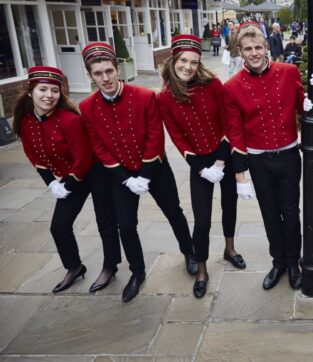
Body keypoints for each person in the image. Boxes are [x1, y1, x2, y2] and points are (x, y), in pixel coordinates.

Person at [79, 42, 197, 303]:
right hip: (120, 176)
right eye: (98, 73)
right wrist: (125, 178)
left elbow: (156, 135)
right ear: (89, 75)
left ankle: (189, 253)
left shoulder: (145, 96)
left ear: (117, 68)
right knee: (126, 225)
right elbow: (98, 145)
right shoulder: (87, 107)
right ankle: (137, 272)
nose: (105, 78)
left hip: (154, 169)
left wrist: (144, 174)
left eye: (109, 70)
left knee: (174, 212)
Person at [223, 21, 313, 291]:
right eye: (247, 49)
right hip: (258, 160)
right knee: (269, 213)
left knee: (291, 212)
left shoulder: (288, 72)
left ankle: (293, 262)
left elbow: (306, 107)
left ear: (266, 47)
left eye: (258, 47)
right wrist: (240, 175)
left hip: (289, 155)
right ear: (240, 52)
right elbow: (235, 132)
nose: (254, 53)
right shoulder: (232, 86)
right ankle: (277, 261)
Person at [12, 66, 121, 294]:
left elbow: (82, 159)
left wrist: (66, 185)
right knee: (59, 226)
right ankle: (74, 266)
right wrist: (51, 182)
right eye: (43, 89)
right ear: (30, 92)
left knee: (106, 222)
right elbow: (33, 154)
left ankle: (110, 266)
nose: (49, 96)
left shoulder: (69, 120)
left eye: (54, 90)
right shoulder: (25, 121)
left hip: (94, 172)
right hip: (68, 178)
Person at [157, 34, 246, 299]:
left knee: (229, 204)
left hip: (223, 153)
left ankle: (230, 249)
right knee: (202, 219)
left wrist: (220, 160)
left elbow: (228, 120)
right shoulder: (164, 98)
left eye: (194, 62)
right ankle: (202, 269)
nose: (188, 66)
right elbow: (177, 137)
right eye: (183, 60)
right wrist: (201, 167)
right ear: (173, 61)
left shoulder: (213, 84)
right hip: (198, 163)